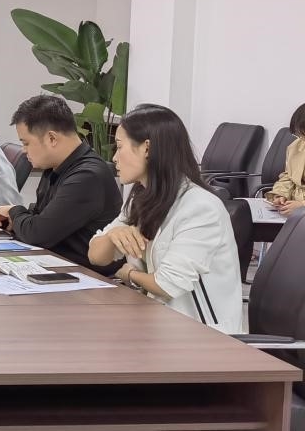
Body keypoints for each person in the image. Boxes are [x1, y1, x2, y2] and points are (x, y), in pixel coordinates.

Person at [88, 104, 243, 333]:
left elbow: (166, 284)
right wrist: (112, 237)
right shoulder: (142, 196)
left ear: (147, 148)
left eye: (120, 147)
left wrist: (127, 273)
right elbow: (95, 256)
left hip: (200, 335)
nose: (114, 157)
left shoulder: (201, 207)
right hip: (155, 322)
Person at [0, 95, 121, 275]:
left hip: (88, 278)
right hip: (56, 266)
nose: (24, 150)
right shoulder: (55, 166)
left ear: (52, 138)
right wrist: (4, 220)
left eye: (26, 143)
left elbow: (38, 234)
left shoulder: (87, 176)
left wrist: (15, 212)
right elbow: (39, 218)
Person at [266, 103, 305, 216]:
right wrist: (280, 195)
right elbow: (288, 177)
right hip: (292, 208)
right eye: (301, 135)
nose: (302, 139)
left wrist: (302, 205)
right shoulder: (296, 146)